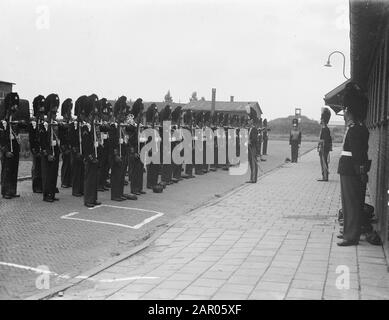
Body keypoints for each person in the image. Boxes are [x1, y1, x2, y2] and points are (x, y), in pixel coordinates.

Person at [337, 82, 369, 247]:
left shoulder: (356, 129)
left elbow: (359, 155)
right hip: (348, 169)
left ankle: (351, 236)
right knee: (348, 203)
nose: (344, 114)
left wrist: (361, 172)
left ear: (350, 111)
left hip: (352, 170)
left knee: (352, 204)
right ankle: (348, 232)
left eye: (346, 111)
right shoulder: (354, 127)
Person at [40, 94, 61, 202]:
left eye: (55, 112)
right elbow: (43, 142)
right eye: (52, 112)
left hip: (55, 152)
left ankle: (52, 193)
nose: (54, 114)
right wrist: (47, 153)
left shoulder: (55, 124)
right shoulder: (44, 125)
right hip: (48, 153)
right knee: (47, 175)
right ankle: (46, 195)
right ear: (48, 112)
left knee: (54, 174)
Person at [81, 94, 101, 208]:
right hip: (89, 156)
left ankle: (93, 198)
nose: (94, 117)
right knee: (89, 178)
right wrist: (89, 156)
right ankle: (88, 199)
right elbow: (86, 144)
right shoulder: (85, 127)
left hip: (95, 153)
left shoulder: (93, 126)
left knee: (94, 178)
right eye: (92, 115)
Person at [0, 92, 21, 199]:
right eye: (14, 104)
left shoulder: (14, 117)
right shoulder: (4, 119)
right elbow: (1, 137)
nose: (16, 106)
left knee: (13, 170)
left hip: (15, 147)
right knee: (7, 171)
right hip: (7, 148)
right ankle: (5, 191)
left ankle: (12, 190)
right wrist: (5, 150)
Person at [29, 95, 45, 193]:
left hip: (42, 147)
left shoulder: (43, 122)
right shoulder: (33, 122)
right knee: (36, 168)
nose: (42, 114)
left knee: (42, 168)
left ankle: (42, 185)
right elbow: (32, 137)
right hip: (36, 147)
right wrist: (34, 149)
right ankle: (36, 186)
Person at [59, 98, 73, 188]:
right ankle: (64, 181)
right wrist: (63, 148)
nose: (69, 115)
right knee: (66, 164)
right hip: (65, 146)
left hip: (70, 145)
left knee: (70, 164)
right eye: (67, 113)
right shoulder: (62, 124)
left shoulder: (70, 123)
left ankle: (69, 181)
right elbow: (61, 137)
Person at [317, 108, 332, 182]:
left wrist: (320, 142)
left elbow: (325, 140)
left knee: (324, 162)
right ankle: (324, 176)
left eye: (321, 118)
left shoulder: (325, 129)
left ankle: (325, 177)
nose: (320, 119)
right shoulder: (325, 128)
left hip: (323, 148)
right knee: (323, 162)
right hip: (323, 147)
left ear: (323, 120)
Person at [246, 113, 258, 183]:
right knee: (251, 162)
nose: (248, 122)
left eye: (249, 120)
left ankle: (254, 179)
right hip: (249, 147)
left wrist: (250, 141)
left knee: (253, 163)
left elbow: (255, 139)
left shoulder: (254, 129)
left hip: (253, 148)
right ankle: (251, 178)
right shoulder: (249, 129)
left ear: (252, 121)